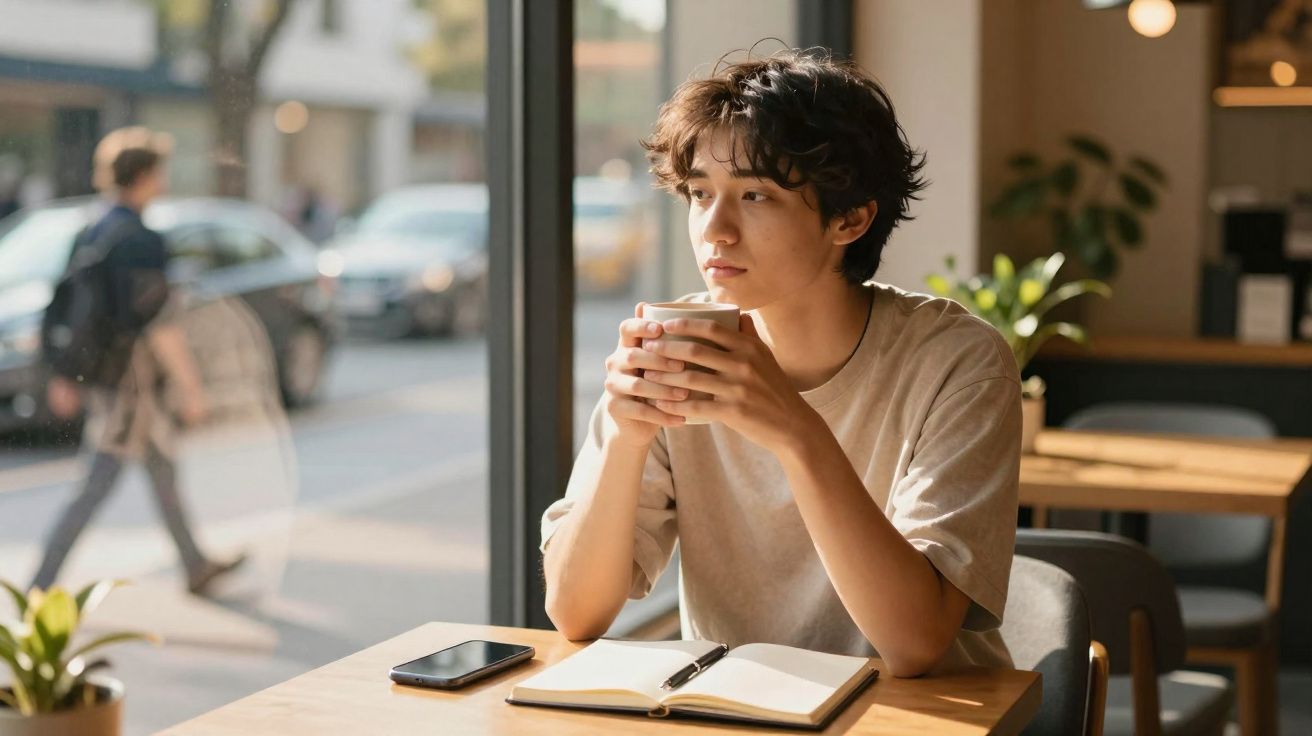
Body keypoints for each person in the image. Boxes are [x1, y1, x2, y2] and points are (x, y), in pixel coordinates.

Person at [540, 50, 1021, 677]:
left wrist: (794, 432)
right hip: (744, 711)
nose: (715, 229)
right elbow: (576, 613)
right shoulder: (676, 346)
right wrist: (628, 440)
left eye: (756, 195)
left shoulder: (957, 362)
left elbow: (916, 643)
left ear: (849, 218)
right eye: (699, 193)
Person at [33, 127, 244, 596]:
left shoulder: (92, 229)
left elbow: (70, 305)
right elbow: (159, 325)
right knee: (97, 482)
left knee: (161, 465)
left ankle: (194, 563)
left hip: (105, 374)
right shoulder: (143, 240)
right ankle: (39, 587)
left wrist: (65, 372)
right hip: (131, 382)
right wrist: (192, 388)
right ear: (147, 175)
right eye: (161, 171)